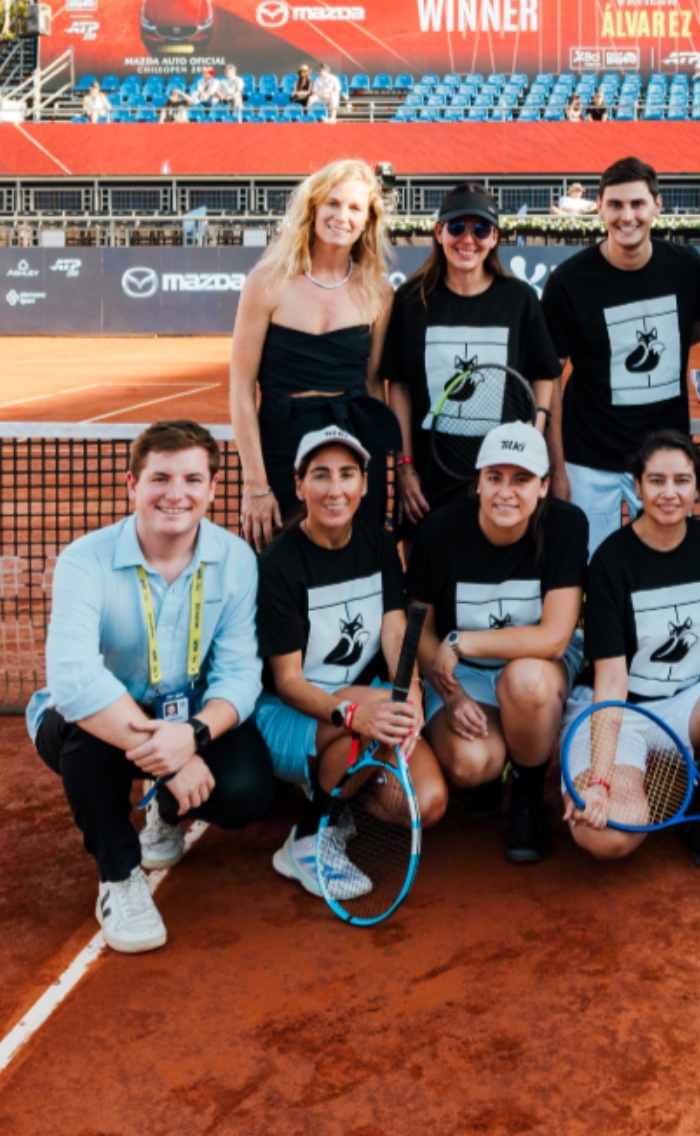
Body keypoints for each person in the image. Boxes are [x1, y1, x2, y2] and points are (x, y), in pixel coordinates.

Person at [25, 420, 271, 955]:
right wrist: (174, 761)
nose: (175, 494)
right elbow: (75, 680)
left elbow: (239, 674)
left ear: (213, 488)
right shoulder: (84, 560)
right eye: (160, 478)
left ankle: (166, 812)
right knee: (86, 737)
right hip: (96, 720)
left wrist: (194, 736)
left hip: (186, 718)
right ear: (132, 485)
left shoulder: (236, 560)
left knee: (247, 789)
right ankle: (118, 876)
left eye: (191, 479)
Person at [251, 427, 446, 900]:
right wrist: (357, 714)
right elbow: (288, 681)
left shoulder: (378, 544)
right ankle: (307, 837)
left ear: (363, 483)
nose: (334, 489)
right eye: (320, 475)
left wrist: (412, 692)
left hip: (365, 702)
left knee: (428, 802)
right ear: (299, 486)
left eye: (347, 474)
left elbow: (395, 632)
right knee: (376, 718)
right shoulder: (279, 565)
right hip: (288, 716)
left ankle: (338, 793)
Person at [566, 432, 700, 866]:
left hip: (684, 707)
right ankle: (632, 776)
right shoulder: (609, 561)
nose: (669, 492)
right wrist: (601, 781)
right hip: (620, 709)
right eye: (656, 480)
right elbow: (611, 680)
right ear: (637, 485)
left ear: (697, 487)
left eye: (682, 480)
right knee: (606, 838)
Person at [409, 424, 589, 861]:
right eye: (495, 477)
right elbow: (420, 631)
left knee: (527, 682)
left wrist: (462, 641)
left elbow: (553, 638)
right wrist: (452, 696)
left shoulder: (566, 525)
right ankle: (496, 768)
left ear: (544, 486)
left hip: (537, 665)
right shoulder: (439, 530)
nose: (505, 493)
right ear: (479, 482)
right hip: (462, 674)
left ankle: (527, 795)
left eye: (521, 479)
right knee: (470, 765)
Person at [543, 158, 700, 555]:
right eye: (616, 205)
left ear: (656, 205)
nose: (627, 216)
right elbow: (550, 378)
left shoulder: (686, 267)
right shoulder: (568, 282)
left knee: (662, 571)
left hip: (663, 461)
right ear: (599, 208)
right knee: (585, 570)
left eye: (637, 204)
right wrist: (558, 467)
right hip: (588, 461)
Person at [231, 158, 398, 554]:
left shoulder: (379, 292)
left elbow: (375, 386)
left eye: (355, 208)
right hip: (281, 442)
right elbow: (240, 388)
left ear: (368, 221)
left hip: (354, 443)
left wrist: (383, 470)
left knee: (356, 559)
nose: (342, 217)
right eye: (333, 204)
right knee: (278, 561)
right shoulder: (265, 282)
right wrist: (255, 484)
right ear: (313, 208)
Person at [379, 187, 561, 540]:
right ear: (439, 233)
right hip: (429, 479)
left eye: (480, 229)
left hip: (501, 474)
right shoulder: (411, 300)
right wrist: (405, 467)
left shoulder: (519, 299)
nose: (468, 239)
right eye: (456, 227)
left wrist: (534, 431)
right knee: (426, 569)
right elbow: (398, 386)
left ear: (494, 238)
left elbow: (544, 374)